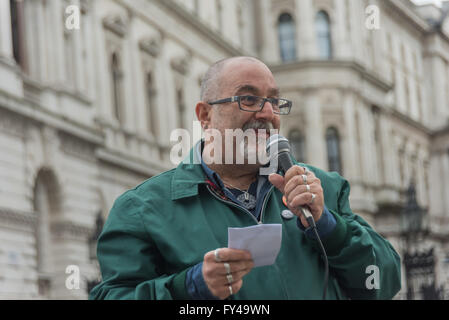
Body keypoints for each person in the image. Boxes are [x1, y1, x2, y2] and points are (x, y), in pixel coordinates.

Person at [89, 56, 401, 300]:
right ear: (205, 116)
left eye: (274, 101)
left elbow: (384, 282)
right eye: (248, 99)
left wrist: (331, 228)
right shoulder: (143, 209)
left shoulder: (323, 188)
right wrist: (190, 288)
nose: (267, 113)